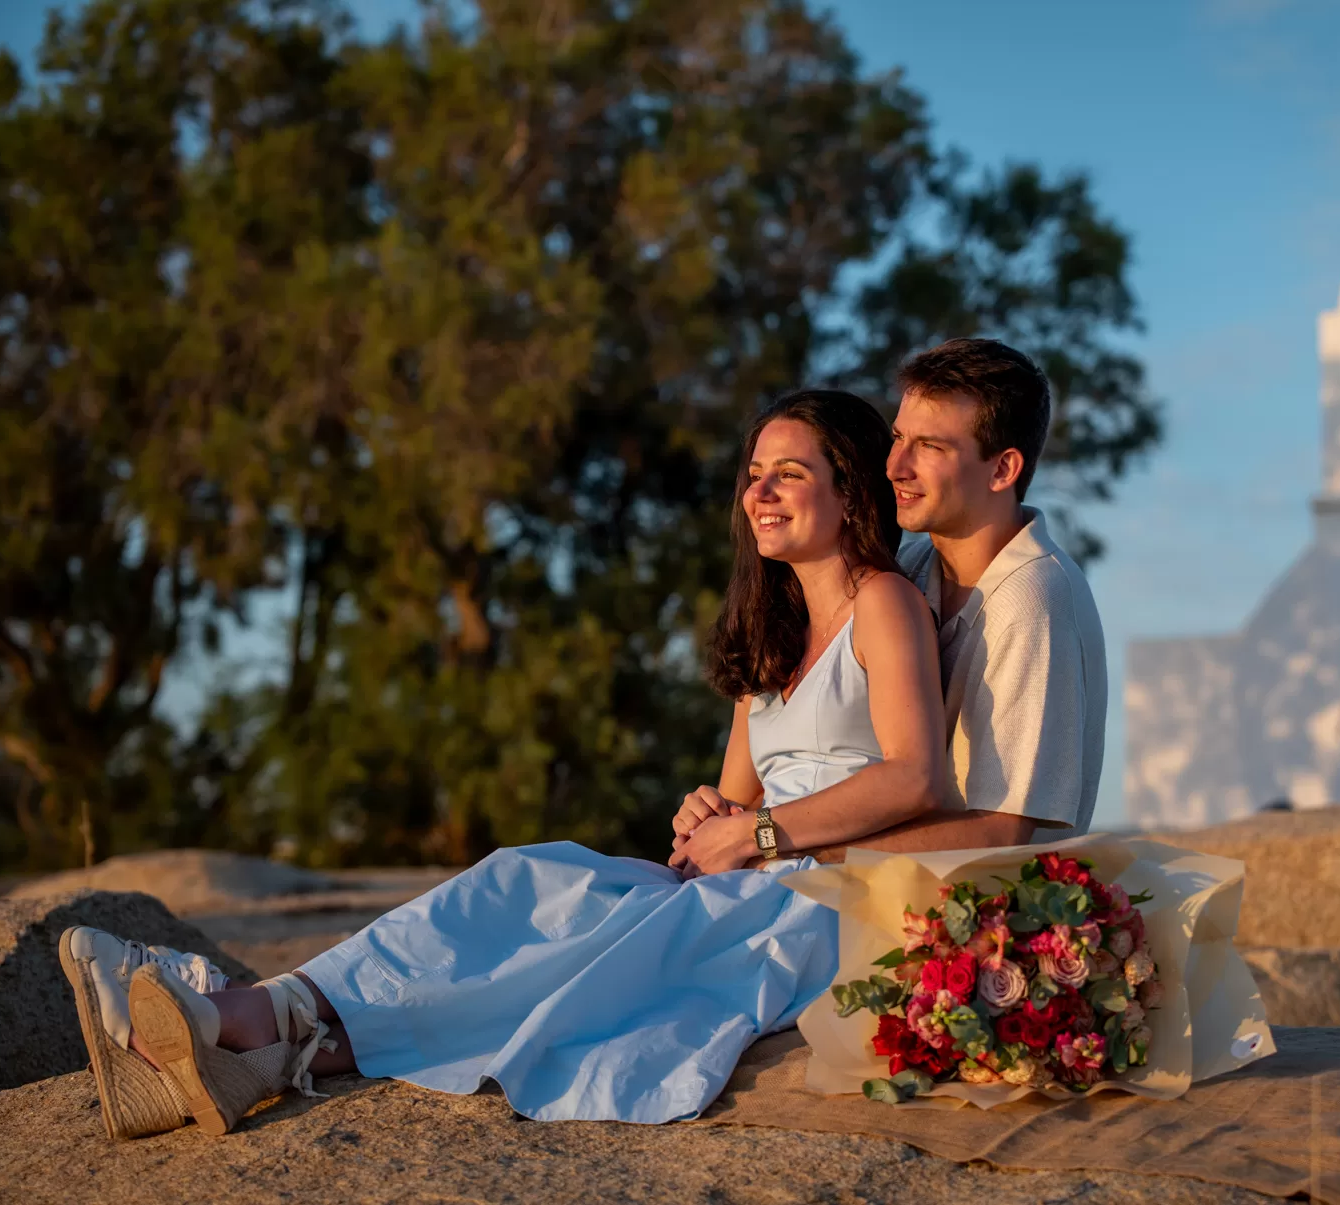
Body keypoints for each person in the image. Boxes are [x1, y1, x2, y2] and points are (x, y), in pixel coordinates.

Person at [63, 389, 952, 1137]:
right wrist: (704, 816)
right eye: (753, 472)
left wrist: (756, 831)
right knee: (530, 880)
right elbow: (732, 792)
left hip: (819, 891)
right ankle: (255, 1041)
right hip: (744, 866)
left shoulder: (885, 603)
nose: (760, 490)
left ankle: (239, 1017)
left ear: (850, 491)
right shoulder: (771, 633)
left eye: (789, 473)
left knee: (589, 951)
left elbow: (915, 775)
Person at [675, 338, 1107, 859]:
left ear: (1002, 470)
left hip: (973, 912)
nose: (894, 466)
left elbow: (1003, 839)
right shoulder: (909, 568)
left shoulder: (1032, 602)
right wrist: (721, 820)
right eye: (898, 437)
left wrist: (772, 845)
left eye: (929, 447)